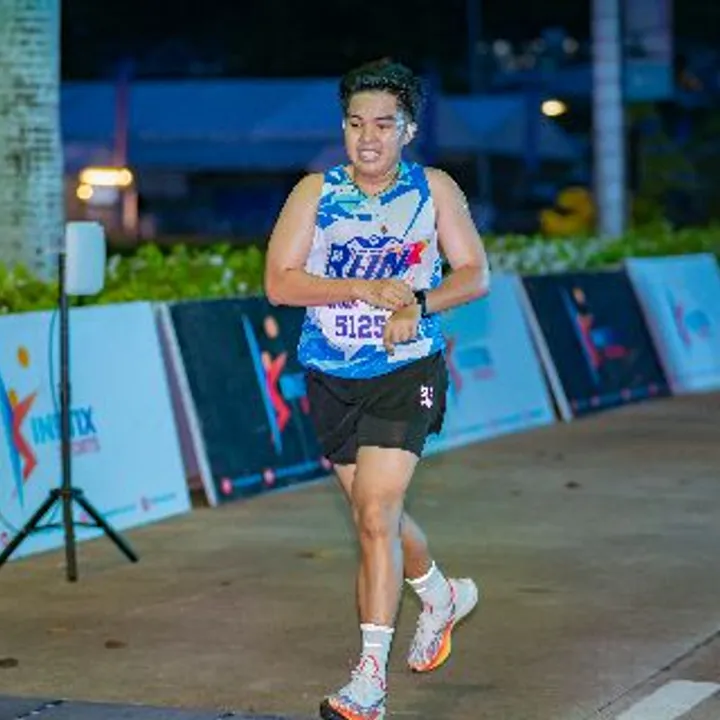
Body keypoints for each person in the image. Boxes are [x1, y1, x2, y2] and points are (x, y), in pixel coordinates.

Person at [264, 58, 491, 720]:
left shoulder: (434, 189)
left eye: (384, 125)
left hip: (406, 369)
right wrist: (360, 288)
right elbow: (280, 284)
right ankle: (441, 595)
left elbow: (473, 273)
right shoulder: (315, 192)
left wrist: (418, 303)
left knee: (373, 516)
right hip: (331, 373)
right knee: (378, 518)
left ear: (408, 130)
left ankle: (369, 682)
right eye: (357, 124)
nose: (369, 138)